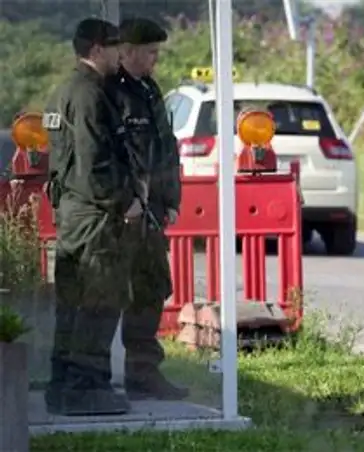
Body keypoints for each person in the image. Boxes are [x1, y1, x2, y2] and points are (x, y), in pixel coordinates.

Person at [43, 17, 144, 416]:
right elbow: (94, 161)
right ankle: (86, 388)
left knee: (73, 304)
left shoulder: (64, 91)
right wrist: (126, 201)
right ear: (97, 49)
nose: (121, 54)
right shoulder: (88, 94)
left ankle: (63, 385)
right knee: (99, 301)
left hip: (75, 213)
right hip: (95, 216)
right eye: (116, 47)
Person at [107, 17, 187, 400]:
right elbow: (107, 158)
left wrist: (171, 200)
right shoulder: (111, 93)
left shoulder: (150, 90)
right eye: (151, 52)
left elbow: (165, 150)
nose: (156, 60)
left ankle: (143, 370)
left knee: (152, 286)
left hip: (152, 209)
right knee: (108, 292)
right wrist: (126, 202)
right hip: (122, 212)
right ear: (128, 51)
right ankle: (96, 373)